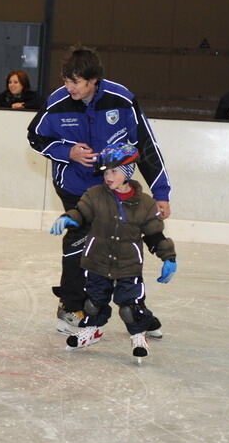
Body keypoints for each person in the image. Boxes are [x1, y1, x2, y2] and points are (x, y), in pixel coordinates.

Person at [28, 46, 172, 336]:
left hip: (115, 185)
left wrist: (161, 192)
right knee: (80, 240)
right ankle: (71, 306)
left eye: (76, 82)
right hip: (74, 186)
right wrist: (68, 152)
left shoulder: (121, 100)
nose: (69, 87)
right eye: (66, 80)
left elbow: (146, 147)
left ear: (93, 80)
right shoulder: (58, 102)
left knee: (125, 240)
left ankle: (136, 309)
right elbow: (35, 137)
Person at [49, 142, 176, 363]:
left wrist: (168, 258)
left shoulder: (145, 204)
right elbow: (81, 212)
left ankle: (139, 334)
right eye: (106, 171)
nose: (108, 176)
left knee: (129, 306)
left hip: (128, 265)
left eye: (114, 171)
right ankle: (92, 330)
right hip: (97, 261)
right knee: (94, 302)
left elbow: (154, 234)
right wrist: (69, 217)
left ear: (127, 172)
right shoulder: (95, 194)